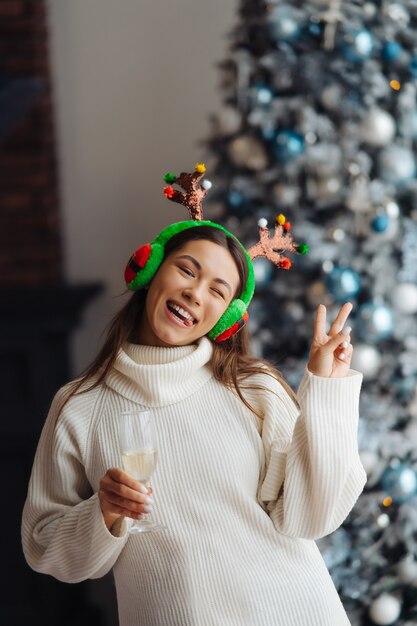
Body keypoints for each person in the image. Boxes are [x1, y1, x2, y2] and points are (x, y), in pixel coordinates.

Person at [22, 165, 366, 626]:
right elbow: (45, 546)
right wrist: (102, 513)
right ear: (150, 268)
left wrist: (325, 389)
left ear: (226, 318)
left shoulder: (252, 389)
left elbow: (309, 516)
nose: (195, 293)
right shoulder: (80, 406)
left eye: (217, 292)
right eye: (187, 269)